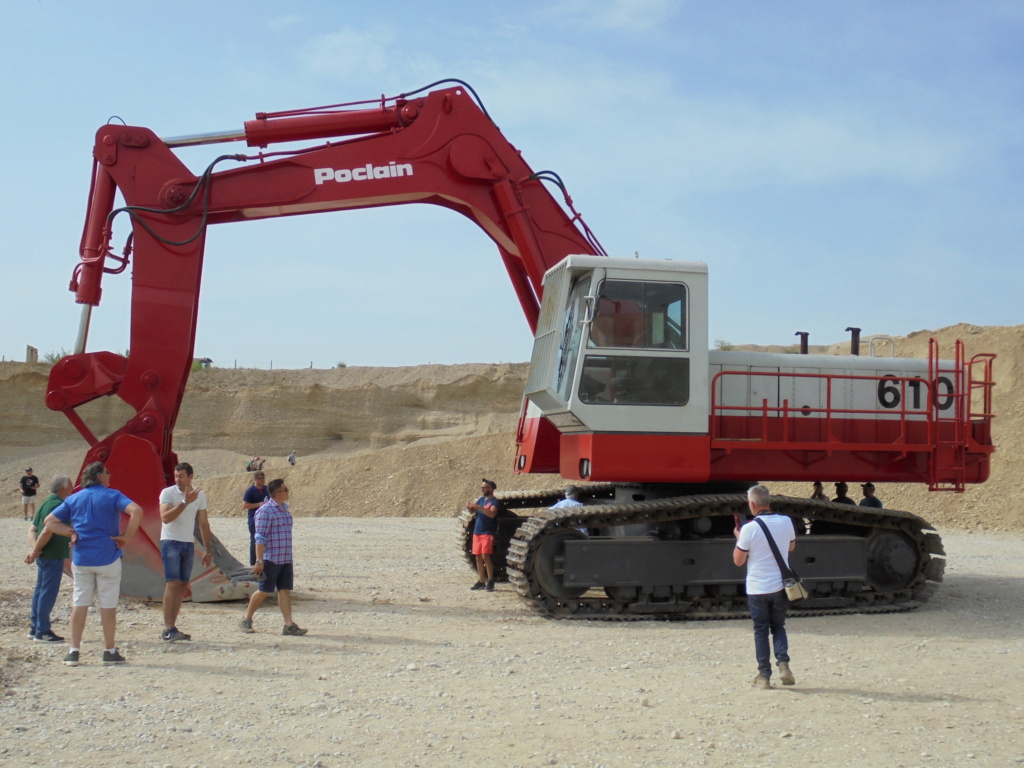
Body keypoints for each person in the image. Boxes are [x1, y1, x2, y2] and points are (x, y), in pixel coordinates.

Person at [44, 462, 144, 666]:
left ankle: (74, 651)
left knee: (80, 602)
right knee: (108, 605)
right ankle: (109, 650)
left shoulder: (74, 498)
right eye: (107, 472)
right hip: (108, 556)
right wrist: (126, 536)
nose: (109, 475)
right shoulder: (113, 495)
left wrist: (70, 532)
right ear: (100, 476)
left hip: (81, 558)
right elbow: (137, 511)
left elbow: (50, 521)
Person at [734, 484, 797, 689]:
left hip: (757, 588)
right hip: (780, 586)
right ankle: (784, 664)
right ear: (769, 502)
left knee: (760, 630)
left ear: (752, 504)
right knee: (778, 626)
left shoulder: (749, 529)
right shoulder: (786, 521)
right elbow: (791, 546)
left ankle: (764, 676)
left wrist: (739, 539)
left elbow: (738, 561)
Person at [240, 479, 307, 636]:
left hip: (285, 557)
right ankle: (246, 618)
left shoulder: (284, 509)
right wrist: (259, 560)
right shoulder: (265, 511)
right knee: (264, 590)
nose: (288, 491)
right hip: (271, 558)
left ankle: (288, 625)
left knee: (284, 590)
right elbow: (260, 537)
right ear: (278, 493)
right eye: (285, 489)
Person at [158, 462, 213, 642]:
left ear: (190, 476)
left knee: (182, 585)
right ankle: (167, 628)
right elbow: (166, 517)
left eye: (181, 476)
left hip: (188, 543)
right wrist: (184, 502)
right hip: (171, 541)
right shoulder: (168, 493)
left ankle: (173, 626)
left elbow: (203, 523)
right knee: (172, 583)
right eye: (176, 476)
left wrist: (208, 549)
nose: (178, 480)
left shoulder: (200, 495)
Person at [25, 475, 74, 642]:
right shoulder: (58, 505)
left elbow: (32, 529)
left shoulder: (45, 503)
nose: (74, 488)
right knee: (48, 592)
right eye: (71, 485)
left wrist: (35, 551)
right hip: (53, 555)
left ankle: (35, 627)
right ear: (62, 489)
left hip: (43, 555)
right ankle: (42, 631)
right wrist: (36, 550)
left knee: (40, 590)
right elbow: (47, 530)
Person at [467, 478, 504, 592]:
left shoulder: (494, 502)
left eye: (484, 487)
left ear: (491, 489)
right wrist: (471, 509)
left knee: (485, 556)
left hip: (487, 532)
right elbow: (474, 512)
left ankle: (491, 580)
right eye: (482, 487)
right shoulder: (481, 500)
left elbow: (492, 514)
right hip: (477, 532)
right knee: (478, 556)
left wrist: (480, 507)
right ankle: (481, 580)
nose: (482, 489)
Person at [242, 470, 270, 566]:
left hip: (266, 519)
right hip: (254, 520)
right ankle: (253, 563)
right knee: (255, 541)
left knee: (266, 540)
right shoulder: (250, 491)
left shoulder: (267, 489)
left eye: (263, 478)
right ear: (255, 480)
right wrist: (259, 504)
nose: (262, 480)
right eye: (260, 478)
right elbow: (244, 505)